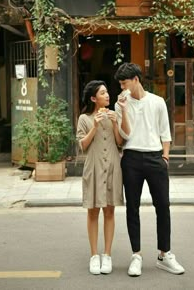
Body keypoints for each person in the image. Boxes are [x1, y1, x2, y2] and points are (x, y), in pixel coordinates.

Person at [114, 63, 185, 277]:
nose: (122, 88)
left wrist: (165, 157)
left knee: (163, 206)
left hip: (156, 158)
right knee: (132, 208)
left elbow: (165, 132)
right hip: (131, 157)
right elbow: (123, 137)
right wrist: (124, 109)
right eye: (119, 84)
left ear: (136, 79)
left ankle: (165, 255)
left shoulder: (157, 101)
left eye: (124, 83)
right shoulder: (120, 105)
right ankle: (136, 255)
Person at [76, 80, 123, 275]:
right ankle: (94, 255)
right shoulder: (84, 119)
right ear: (94, 98)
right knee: (93, 212)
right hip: (93, 168)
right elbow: (83, 146)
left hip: (112, 166)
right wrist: (95, 126)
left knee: (110, 211)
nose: (107, 95)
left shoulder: (114, 115)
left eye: (107, 92)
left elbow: (120, 142)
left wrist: (114, 122)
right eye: (103, 93)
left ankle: (107, 255)